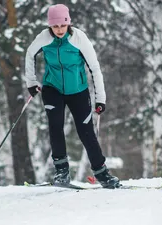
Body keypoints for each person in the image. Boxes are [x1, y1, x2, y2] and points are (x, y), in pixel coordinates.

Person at [24, 4, 120, 188]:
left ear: (69, 23)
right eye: (55, 26)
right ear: (49, 26)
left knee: (86, 133)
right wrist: (31, 82)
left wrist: (101, 98)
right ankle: (61, 172)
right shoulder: (43, 38)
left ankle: (102, 174)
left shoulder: (79, 38)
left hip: (78, 91)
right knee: (55, 127)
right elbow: (29, 54)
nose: (59, 30)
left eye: (62, 25)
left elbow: (95, 68)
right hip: (53, 89)